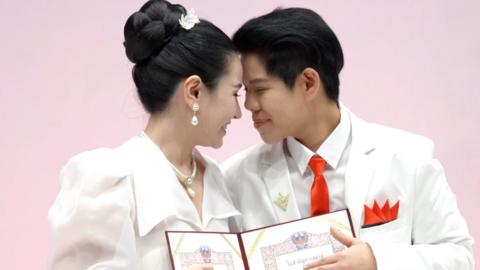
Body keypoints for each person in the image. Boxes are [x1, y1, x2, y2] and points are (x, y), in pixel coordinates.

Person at [222, 7, 474, 270]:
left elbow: (460, 257)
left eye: (260, 89)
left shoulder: (408, 157)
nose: (249, 105)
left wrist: (377, 261)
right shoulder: (235, 177)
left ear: (309, 83)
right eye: (245, 91)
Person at [48, 1, 243, 269]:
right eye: (234, 93)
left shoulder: (216, 178)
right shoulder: (111, 180)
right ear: (195, 91)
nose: (238, 113)